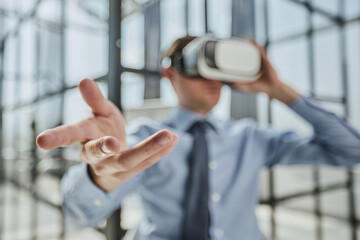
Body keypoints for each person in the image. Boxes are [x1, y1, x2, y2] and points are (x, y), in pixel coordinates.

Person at [36, 36, 360, 240]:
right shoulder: (146, 138)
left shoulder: (251, 137)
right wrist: (99, 177)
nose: (210, 78)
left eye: (215, 68)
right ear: (171, 74)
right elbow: (79, 215)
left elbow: (351, 150)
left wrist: (278, 90)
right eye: (196, 67)